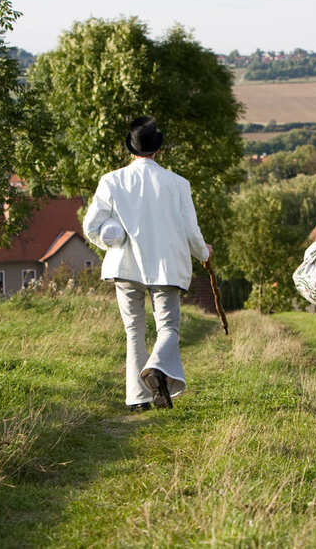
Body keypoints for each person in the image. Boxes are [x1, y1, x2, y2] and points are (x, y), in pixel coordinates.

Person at [82, 116, 212, 411]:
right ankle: (155, 368)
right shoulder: (178, 184)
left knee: (134, 331)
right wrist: (203, 253)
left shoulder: (111, 181)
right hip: (165, 267)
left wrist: (110, 242)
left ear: (131, 149)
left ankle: (137, 399)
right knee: (167, 328)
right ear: (157, 150)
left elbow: (91, 226)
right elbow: (191, 231)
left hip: (124, 266)